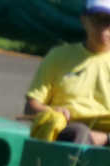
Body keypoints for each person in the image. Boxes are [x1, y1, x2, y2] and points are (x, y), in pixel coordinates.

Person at [24, 0, 110, 145]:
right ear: (84, 20)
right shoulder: (58, 56)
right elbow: (31, 107)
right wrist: (50, 111)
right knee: (78, 132)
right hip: (67, 131)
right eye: (98, 19)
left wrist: (105, 138)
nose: (104, 28)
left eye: (108, 21)